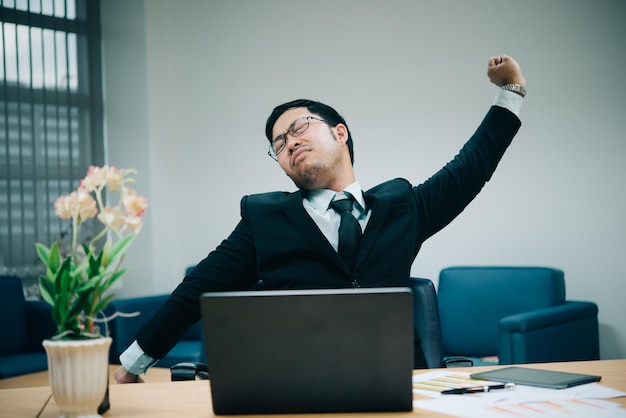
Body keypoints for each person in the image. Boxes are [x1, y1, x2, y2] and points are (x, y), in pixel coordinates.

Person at [115, 54, 526, 383]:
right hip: (296, 385)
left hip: (401, 382)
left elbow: (471, 167)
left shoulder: (402, 206)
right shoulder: (264, 219)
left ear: (340, 133)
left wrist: (511, 90)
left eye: (298, 128)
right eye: (278, 143)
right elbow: (195, 292)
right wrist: (132, 365)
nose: (289, 142)